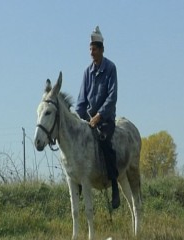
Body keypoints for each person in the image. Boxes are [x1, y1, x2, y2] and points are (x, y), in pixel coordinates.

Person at [75, 26, 120, 209]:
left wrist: (99, 116)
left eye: (94, 49)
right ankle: (78, 184)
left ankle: (115, 186)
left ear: (101, 50)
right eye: (90, 49)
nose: (91, 52)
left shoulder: (110, 68)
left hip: (105, 119)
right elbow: (81, 100)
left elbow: (112, 96)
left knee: (105, 144)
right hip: (88, 120)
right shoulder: (87, 72)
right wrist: (80, 120)